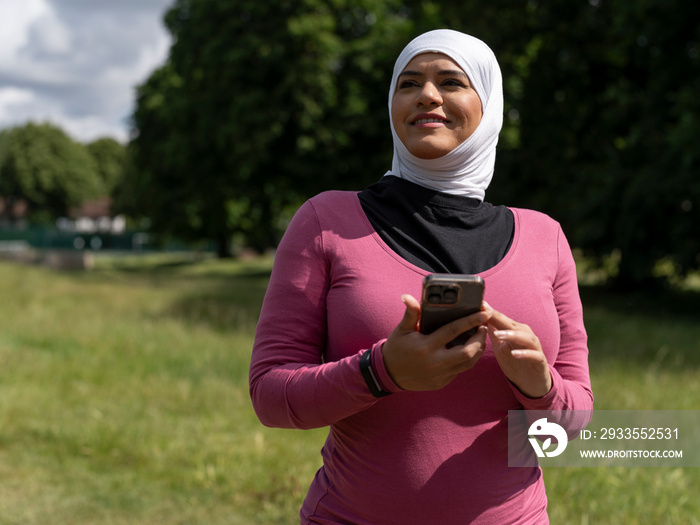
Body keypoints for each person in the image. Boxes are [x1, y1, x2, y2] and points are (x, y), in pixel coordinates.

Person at [249, 29, 593, 524]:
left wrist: (540, 388)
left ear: (489, 103)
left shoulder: (546, 237)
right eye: (408, 83)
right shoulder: (327, 221)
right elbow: (271, 397)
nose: (426, 94)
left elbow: (571, 425)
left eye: (451, 81)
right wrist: (380, 371)